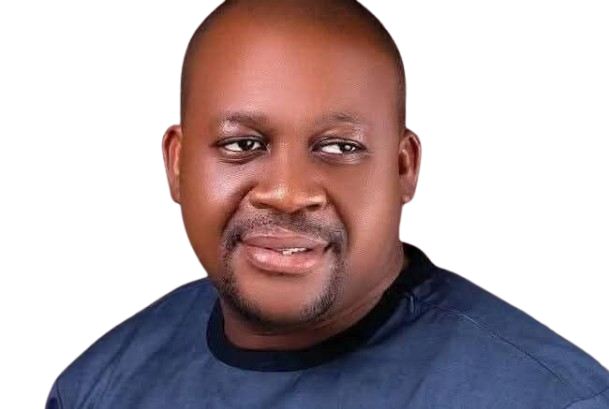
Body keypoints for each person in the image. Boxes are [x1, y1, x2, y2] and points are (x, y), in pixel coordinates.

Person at [45, 0, 608, 408]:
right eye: (243, 145)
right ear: (176, 164)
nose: (288, 193)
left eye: (340, 147)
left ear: (404, 168)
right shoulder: (95, 388)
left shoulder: (552, 398)